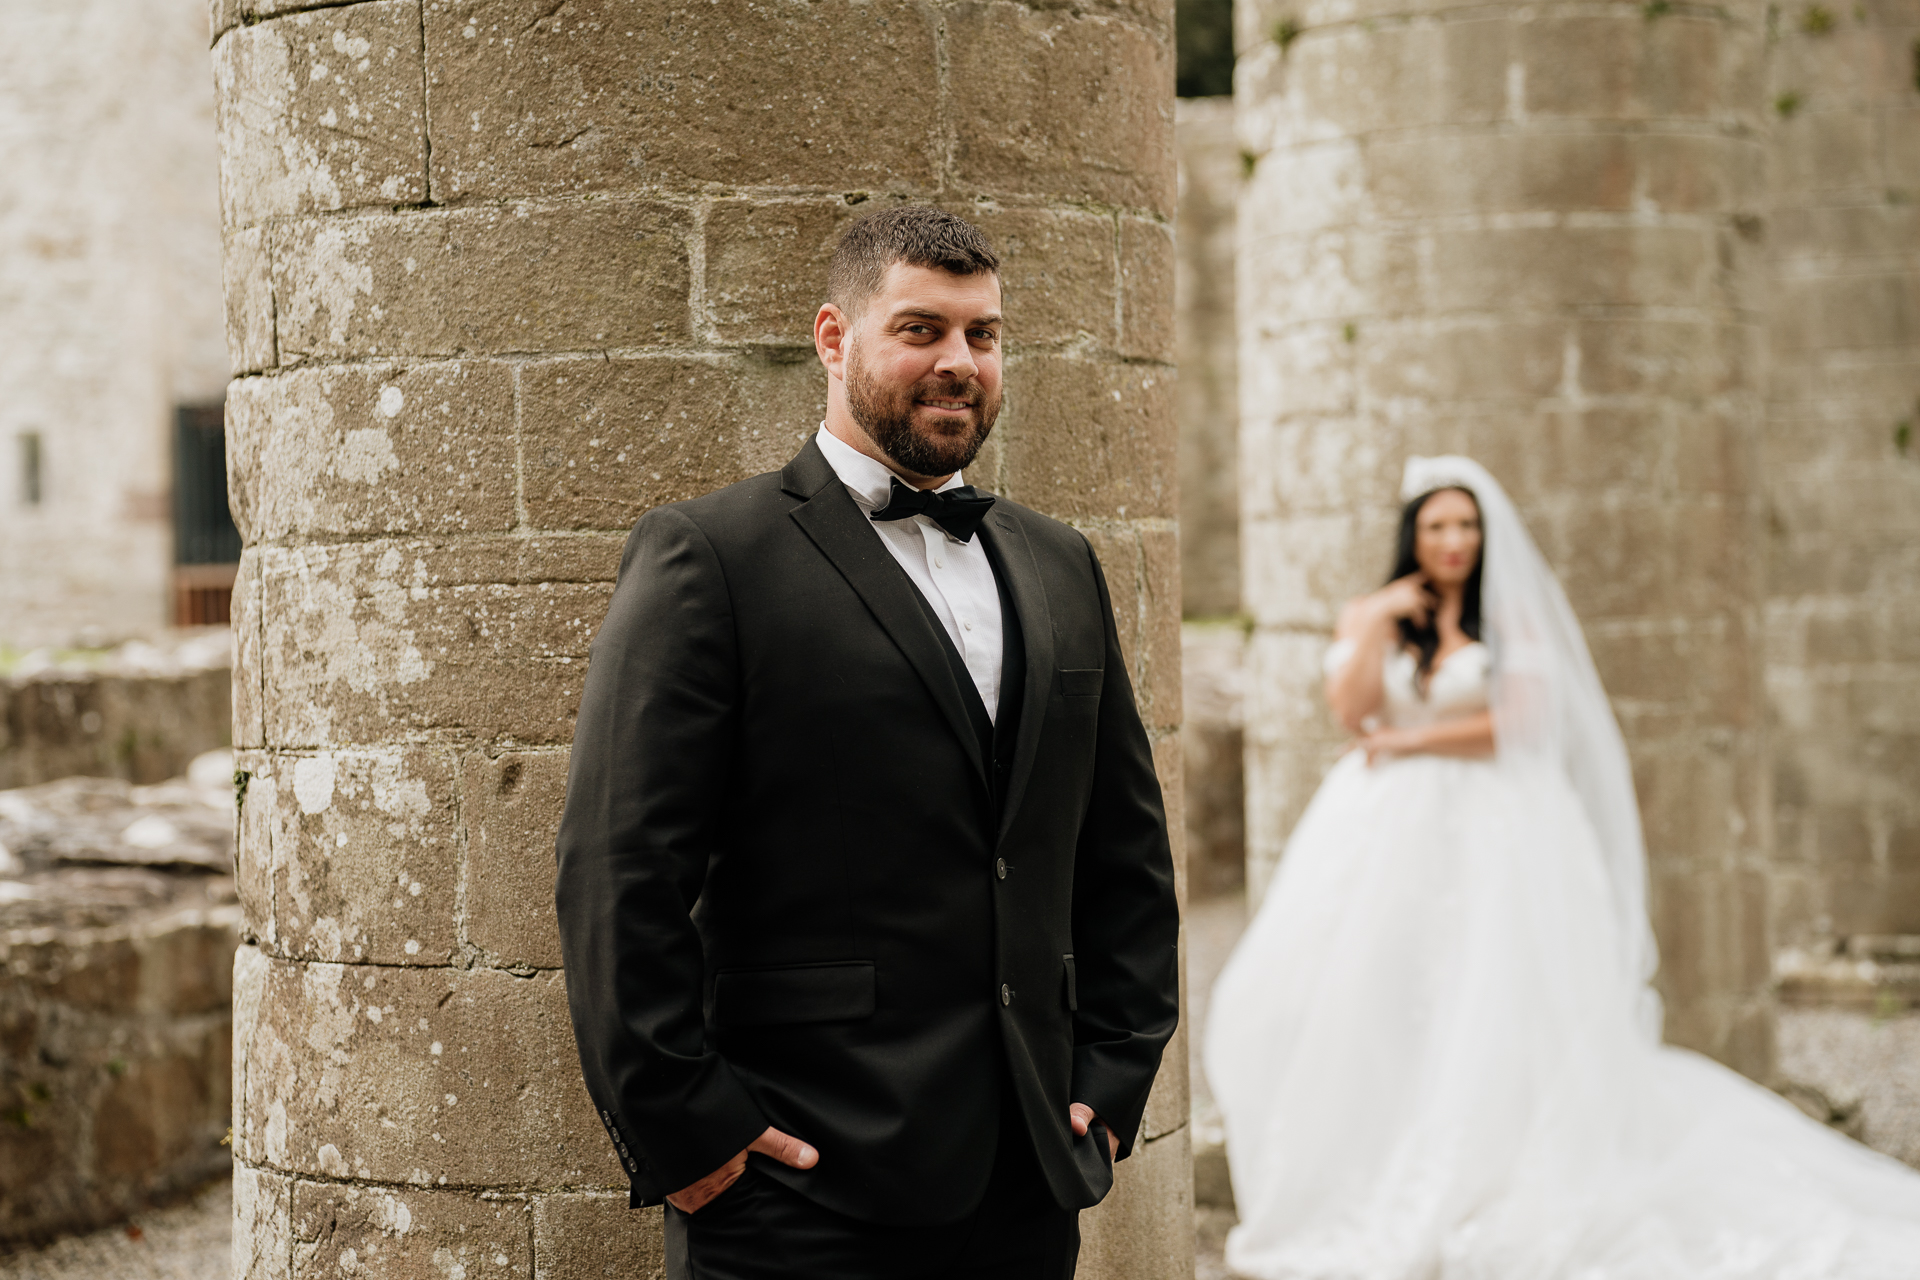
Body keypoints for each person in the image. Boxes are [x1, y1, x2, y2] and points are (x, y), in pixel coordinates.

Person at [554, 205, 1180, 1280]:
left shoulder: (1060, 561)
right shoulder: (710, 556)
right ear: (834, 338)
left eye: (982, 335)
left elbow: (1123, 846)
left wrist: (1114, 1075)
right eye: (921, 329)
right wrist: (691, 1128)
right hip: (798, 1187)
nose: (959, 362)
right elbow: (619, 868)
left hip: (1028, 1182)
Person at [1205, 455, 1920, 1279]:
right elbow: (1350, 710)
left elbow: (1520, 721)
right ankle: (1386, 1166)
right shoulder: (1383, 614)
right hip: (1390, 833)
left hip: (1497, 824)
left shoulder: (1512, 616)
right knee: (1384, 997)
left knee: (1496, 997)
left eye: (1466, 525)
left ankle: (1498, 1171)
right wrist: (1371, 620)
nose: (1453, 541)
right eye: (1436, 525)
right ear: (1414, 534)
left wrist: (1407, 740)